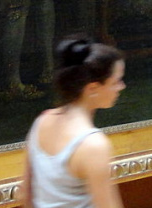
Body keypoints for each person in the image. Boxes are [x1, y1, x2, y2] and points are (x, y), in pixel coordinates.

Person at [20, 36, 126, 208]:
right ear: (92, 88)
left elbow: (25, 194)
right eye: (116, 81)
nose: (122, 87)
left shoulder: (41, 121)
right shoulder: (93, 145)